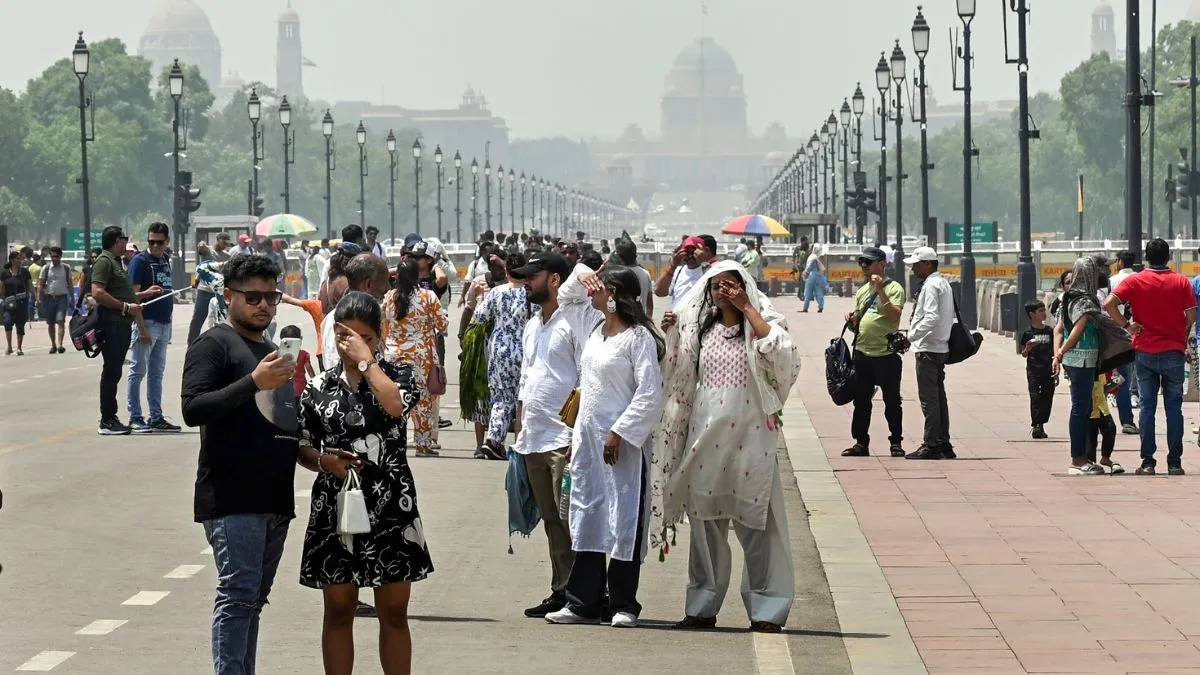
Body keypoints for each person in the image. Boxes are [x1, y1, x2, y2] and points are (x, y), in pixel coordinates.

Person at [652, 261, 801, 633]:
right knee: (705, 522)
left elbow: (784, 354)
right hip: (706, 432)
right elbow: (674, 370)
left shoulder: (760, 326)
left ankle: (767, 608)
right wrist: (672, 332)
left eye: (731, 285)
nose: (723, 291)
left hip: (751, 435)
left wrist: (749, 307)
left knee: (757, 523)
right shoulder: (701, 330)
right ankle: (701, 606)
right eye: (717, 286)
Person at [296, 292, 432, 675]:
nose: (354, 344)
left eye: (365, 337)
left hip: (391, 505)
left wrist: (367, 361)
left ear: (378, 336)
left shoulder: (397, 373)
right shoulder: (317, 386)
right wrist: (324, 462)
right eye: (345, 337)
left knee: (393, 613)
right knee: (339, 611)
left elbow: (395, 405)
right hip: (335, 506)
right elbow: (303, 445)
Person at [180, 254, 298, 675]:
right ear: (229, 296)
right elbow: (193, 408)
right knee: (237, 595)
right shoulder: (214, 343)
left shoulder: (271, 350)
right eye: (252, 297)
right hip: (233, 496)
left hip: (275, 497)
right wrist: (252, 383)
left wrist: (317, 456)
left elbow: (282, 420)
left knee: (253, 600)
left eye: (271, 296)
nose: (263, 305)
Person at [542, 265, 665, 628]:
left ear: (614, 294)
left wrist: (620, 432)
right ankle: (583, 603)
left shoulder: (639, 338)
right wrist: (583, 273)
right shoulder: (592, 329)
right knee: (588, 515)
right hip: (587, 442)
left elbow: (649, 393)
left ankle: (623, 603)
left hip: (622, 447)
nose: (592, 294)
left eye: (600, 289)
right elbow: (566, 295)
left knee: (623, 520)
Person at [511, 252, 584, 618]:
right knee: (552, 519)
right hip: (534, 437)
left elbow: (587, 378)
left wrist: (578, 434)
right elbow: (527, 376)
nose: (526, 282)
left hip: (563, 439)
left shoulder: (574, 324)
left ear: (554, 280)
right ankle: (562, 588)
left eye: (532, 276)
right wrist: (521, 421)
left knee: (573, 519)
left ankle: (586, 592)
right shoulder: (533, 324)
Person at [1105, 238, 1197, 476]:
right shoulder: (1180, 281)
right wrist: (1181, 332)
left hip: (1145, 350)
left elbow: (1109, 303)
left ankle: (1148, 462)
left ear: (1146, 257)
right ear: (1168, 258)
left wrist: (1128, 325)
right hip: (1174, 352)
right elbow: (1191, 314)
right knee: (1173, 408)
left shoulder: (1135, 280)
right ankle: (1175, 462)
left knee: (1147, 407)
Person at [841, 246, 905, 457]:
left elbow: (894, 316)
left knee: (892, 400)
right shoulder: (861, 291)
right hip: (862, 353)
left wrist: (880, 290)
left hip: (886, 354)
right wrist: (851, 322)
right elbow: (857, 322)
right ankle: (861, 442)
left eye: (868, 262)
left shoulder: (894, 288)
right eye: (862, 263)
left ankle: (895, 442)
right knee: (861, 401)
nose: (864, 267)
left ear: (882, 263)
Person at [382, 259, 448, 458]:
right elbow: (442, 324)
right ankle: (423, 444)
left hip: (393, 354)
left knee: (395, 399)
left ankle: (393, 443)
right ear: (417, 275)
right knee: (423, 400)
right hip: (421, 356)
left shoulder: (389, 297)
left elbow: (382, 323)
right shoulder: (428, 296)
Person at [92, 226, 151, 436]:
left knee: (115, 371)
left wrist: (141, 295)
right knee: (112, 371)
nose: (125, 243)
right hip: (112, 324)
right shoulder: (104, 261)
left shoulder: (115, 262)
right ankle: (107, 419)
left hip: (122, 324)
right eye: (124, 239)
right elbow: (97, 292)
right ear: (116, 240)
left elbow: (122, 293)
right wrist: (126, 307)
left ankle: (110, 417)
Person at [471, 253, 529, 460]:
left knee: (501, 398)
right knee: (523, 399)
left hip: (499, 351)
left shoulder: (496, 292)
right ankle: (519, 442)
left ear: (506, 272)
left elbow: (479, 317)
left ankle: (494, 439)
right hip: (524, 350)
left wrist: (480, 298)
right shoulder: (530, 295)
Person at [1053, 258, 1106, 475]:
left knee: (1081, 408)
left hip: (1072, 360)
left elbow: (1057, 329)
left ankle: (1082, 457)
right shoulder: (1085, 300)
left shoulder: (1067, 298)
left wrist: (1057, 354)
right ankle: (1077, 460)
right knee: (1080, 409)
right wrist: (1062, 351)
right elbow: (1077, 330)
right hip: (1083, 359)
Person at [903, 246, 956, 460]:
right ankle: (943, 442)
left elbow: (931, 317)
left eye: (916, 264)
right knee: (938, 397)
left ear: (927, 264)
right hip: (939, 346)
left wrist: (911, 336)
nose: (913, 269)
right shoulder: (942, 283)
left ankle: (931, 443)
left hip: (928, 347)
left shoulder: (932, 285)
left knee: (929, 399)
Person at [127, 222, 180, 433]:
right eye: (151, 242)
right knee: (137, 371)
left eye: (159, 242)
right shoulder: (140, 262)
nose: (155, 246)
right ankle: (135, 416)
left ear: (167, 241)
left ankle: (156, 416)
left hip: (164, 323)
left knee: (156, 373)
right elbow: (133, 298)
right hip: (147, 323)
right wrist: (141, 328)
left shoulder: (165, 259)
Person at [321, 253, 391, 372]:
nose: (387, 290)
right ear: (368, 285)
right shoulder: (339, 320)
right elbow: (336, 366)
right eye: (384, 285)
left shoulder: (371, 315)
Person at [1111, 250, 1139, 431]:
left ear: (1120, 262)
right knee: (1142, 373)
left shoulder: (1113, 280)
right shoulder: (1141, 277)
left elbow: (1108, 305)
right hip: (1140, 330)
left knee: (1122, 376)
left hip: (1120, 331)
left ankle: (1127, 419)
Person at [1020, 299, 1055, 440]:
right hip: (1033, 370)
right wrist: (1028, 348)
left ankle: (1042, 423)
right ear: (1032, 314)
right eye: (1040, 311)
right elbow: (1023, 353)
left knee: (1047, 397)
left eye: (1044, 310)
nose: (1044, 313)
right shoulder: (1027, 333)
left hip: (1048, 369)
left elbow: (1054, 350)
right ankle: (1036, 425)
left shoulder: (1050, 331)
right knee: (1035, 397)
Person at [653, 236, 711, 310]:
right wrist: (673, 266)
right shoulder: (678, 271)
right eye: (687, 253)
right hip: (677, 319)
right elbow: (659, 292)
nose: (690, 256)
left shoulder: (708, 271)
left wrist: (703, 260)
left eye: (693, 252)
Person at [37, 246, 74, 354]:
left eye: (56, 256)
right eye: (52, 256)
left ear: (60, 256)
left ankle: (60, 344)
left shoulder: (66, 268)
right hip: (48, 298)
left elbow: (70, 284)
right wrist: (38, 298)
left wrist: (72, 298)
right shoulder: (46, 268)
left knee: (60, 320)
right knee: (51, 323)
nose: (54, 259)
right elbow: (41, 284)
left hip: (62, 298)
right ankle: (53, 344)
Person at [1086, 376, 1123, 474]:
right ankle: (1090, 462)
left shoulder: (1101, 371)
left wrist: (1115, 383)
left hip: (1102, 407)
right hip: (1088, 409)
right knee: (1090, 437)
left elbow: (1104, 387)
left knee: (1110, 429)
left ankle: (1105, 457)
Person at [2, 251, 32, 356]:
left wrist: (35, 298)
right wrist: (2, 299)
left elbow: (30, 286)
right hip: (8, 303)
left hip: (22, 303)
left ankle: (19, 347)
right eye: (17, 259)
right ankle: (9, 347)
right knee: (7, 322)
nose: (20, 261)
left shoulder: (25, 272)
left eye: (20, 259)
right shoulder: (5, 273)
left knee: (20, 324)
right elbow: (1, 287)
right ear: (12, 260)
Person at [280, 325, 314, 400]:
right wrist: (314, 381)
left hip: (285, 390)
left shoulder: (280, 356)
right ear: (300, 339)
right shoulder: (304, 354)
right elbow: (309, 369)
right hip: (301, 389)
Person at [801, 244, 826, 313]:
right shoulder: (817, 257)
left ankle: (805, 308)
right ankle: (821, 307)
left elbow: (809, 267)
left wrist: (805, 273)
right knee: (818, 291)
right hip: (818, 276)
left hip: (811, 276)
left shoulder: (811, 257)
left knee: (808, 291)